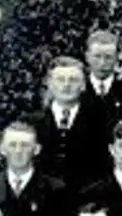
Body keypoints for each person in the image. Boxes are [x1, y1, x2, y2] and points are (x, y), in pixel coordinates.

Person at [32, 55, 111, 189]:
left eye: (73, 80)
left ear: (83, 85)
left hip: (87, 200)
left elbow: (105, 168)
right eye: (60, 79)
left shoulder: (100, 121)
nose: (66, 85)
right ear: (50, 84)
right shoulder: (32, 123)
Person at [82, 29, 122, 126]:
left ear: (116, 58)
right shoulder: (76, 89)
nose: (102, 63)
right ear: (87, 57)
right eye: (97, 56)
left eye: (108, 57)